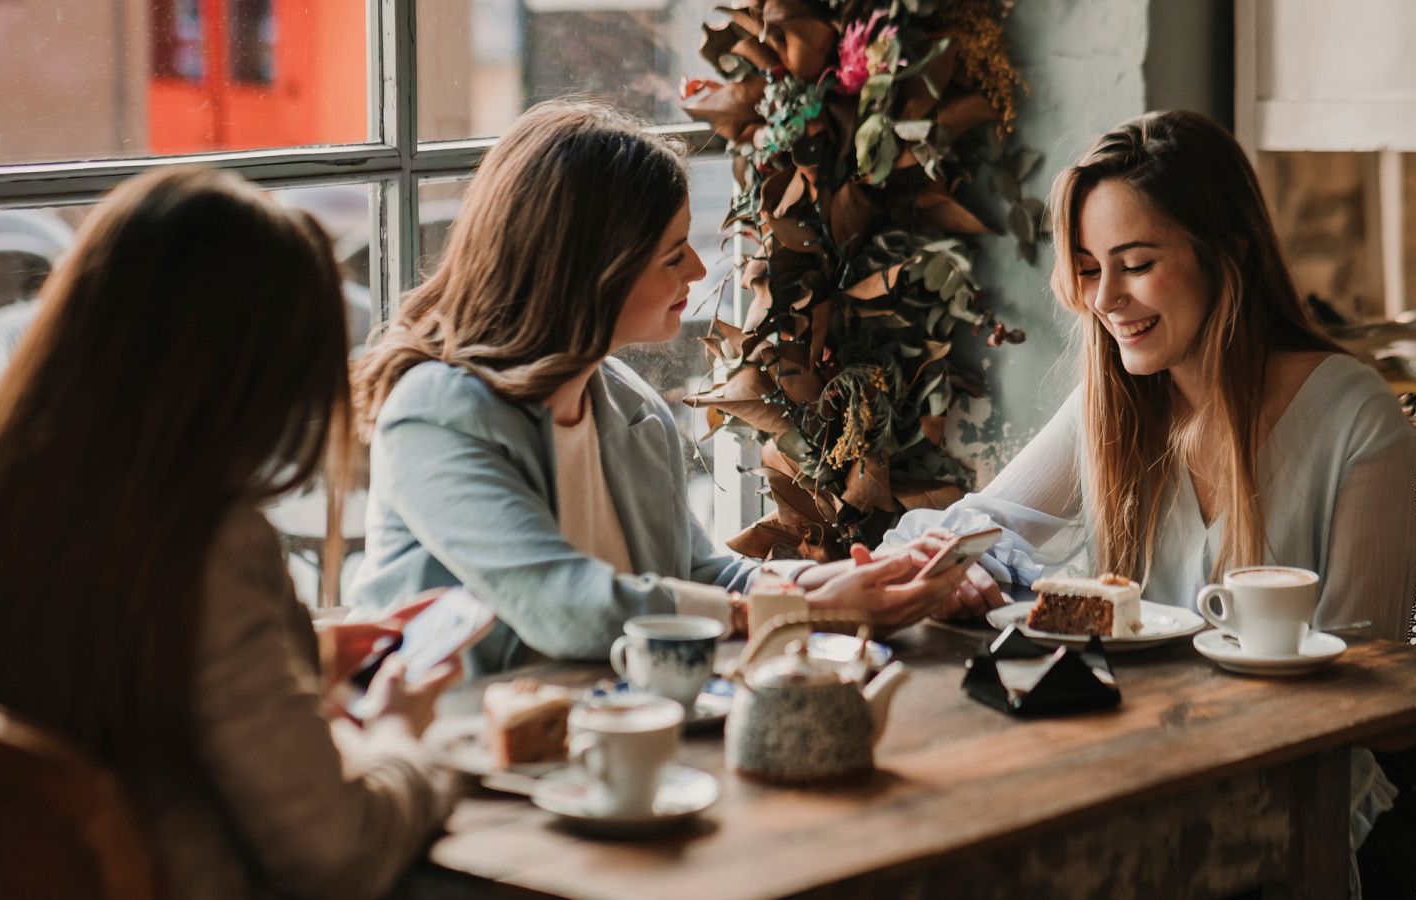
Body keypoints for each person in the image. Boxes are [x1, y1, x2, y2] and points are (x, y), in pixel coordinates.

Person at [886, 111, 1416, 898]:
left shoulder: (1353, 420)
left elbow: (1378, 699)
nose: (1106, 299)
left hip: (1296, 797)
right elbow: (975, 527)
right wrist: (957, 568)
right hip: (1140, 763)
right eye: (1086, 267)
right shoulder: (1117, 401)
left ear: (1228, 251)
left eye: (1136, 263)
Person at [0, 167, 458, 899]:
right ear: (253, 375)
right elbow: (336, 854)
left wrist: (302, 655)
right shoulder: (201, 541)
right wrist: (401, 739)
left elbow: (93, 671)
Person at [349, 100, 963, 674]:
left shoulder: (626, 404)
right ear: (589, 273)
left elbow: (698, 575)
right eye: (673, 256)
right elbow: (565, 608)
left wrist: (827, 584)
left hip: (618, 733)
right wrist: (804, 612)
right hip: (461, 748)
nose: (697, 270)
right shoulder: (434, 413)